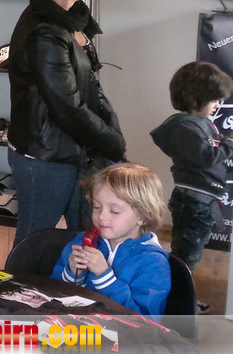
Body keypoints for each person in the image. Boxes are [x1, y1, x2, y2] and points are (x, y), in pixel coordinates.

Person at [6, 0, 126, 246]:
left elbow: (84, 86)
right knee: (32, 245)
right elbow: (67, 108)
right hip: (45, 158)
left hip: (70, 153)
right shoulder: (45, 29)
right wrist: (113, 143)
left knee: (83, 242)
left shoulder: (65, 20)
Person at [151, 61, 233, 312]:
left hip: (200, 203)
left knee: (189, 254)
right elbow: (207, 157)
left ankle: (181, 295)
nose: (218, 104)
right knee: (186, 256)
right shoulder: (185, 127)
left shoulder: (200, 124)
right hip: (194, 204)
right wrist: (230, 143)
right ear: (196, 97)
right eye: (214, 99)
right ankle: (176, 302)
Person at [51, 163, 171, 317]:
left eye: (114, 211)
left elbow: (145, 319)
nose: (101, 216)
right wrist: (73, 273)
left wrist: (104, 277)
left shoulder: (153, 262)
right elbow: (53, 293)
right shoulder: (81, 241)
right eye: (96, 206)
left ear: (142, 217)